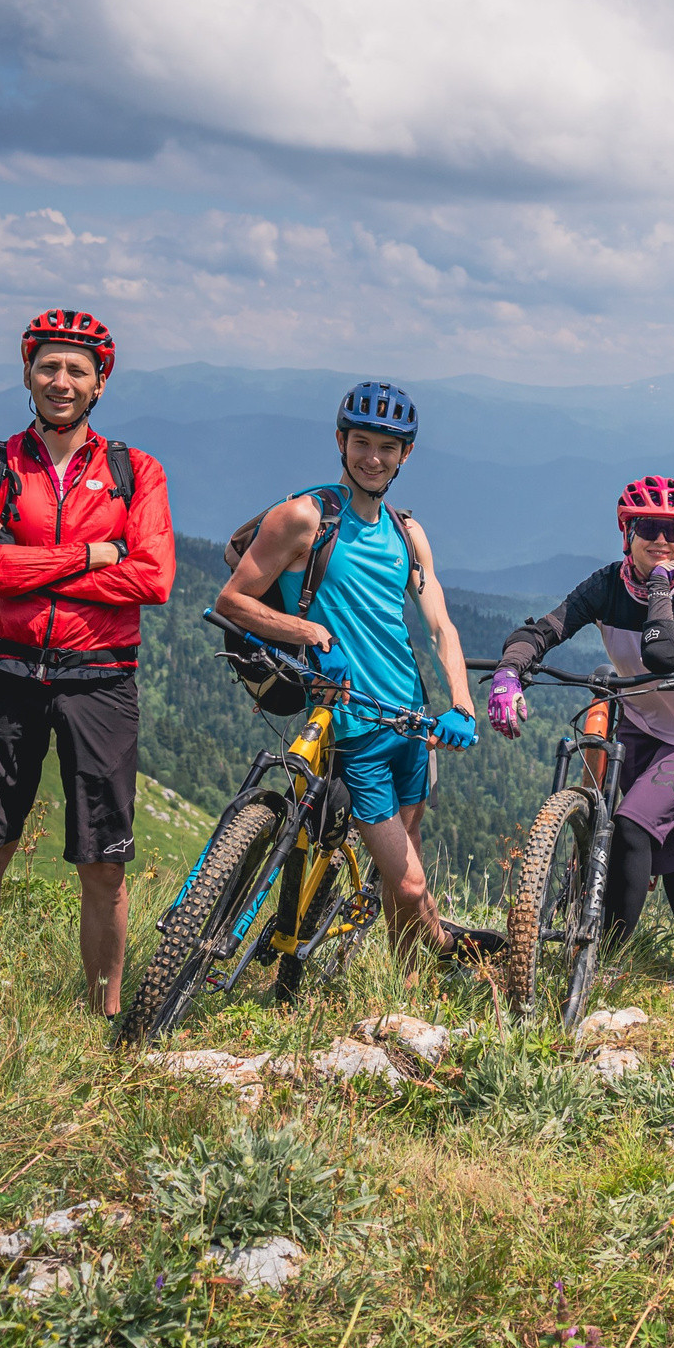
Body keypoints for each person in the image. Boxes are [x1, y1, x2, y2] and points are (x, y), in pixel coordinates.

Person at [213, 381, 502, 962]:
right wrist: (311, 634)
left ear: (406, 455)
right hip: (351, 722)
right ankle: (442, 944)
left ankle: (409, 984)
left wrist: (462, 704)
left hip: (411, 718)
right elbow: (231, 601)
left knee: (408, 855)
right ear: (341, 443)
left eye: (387, 447)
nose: (373, 457)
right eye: (361, 442)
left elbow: (441, 627)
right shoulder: (303, 518)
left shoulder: (406, 532)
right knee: (412, 882)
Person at [0, 308, 174, 1017]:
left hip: (99, 678)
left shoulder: (136, 472)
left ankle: (104, 1020)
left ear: (100, 383)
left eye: (77, 368)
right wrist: (88, 555)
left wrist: (20, 559)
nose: (61, 380)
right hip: (5, 673)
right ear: (26, 374)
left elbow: (152, 578)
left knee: (105, 863)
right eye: (48, 365)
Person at [486, 476, 674, 993]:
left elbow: (663, 654)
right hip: (642, 723)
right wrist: (511, 671)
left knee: (632, 828)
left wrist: (662, 584)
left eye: (672, 530)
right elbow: (547, 628)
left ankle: (604, 966)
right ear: (627, 531)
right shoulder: (605, 585)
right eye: (648, 527)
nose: (659, 539)